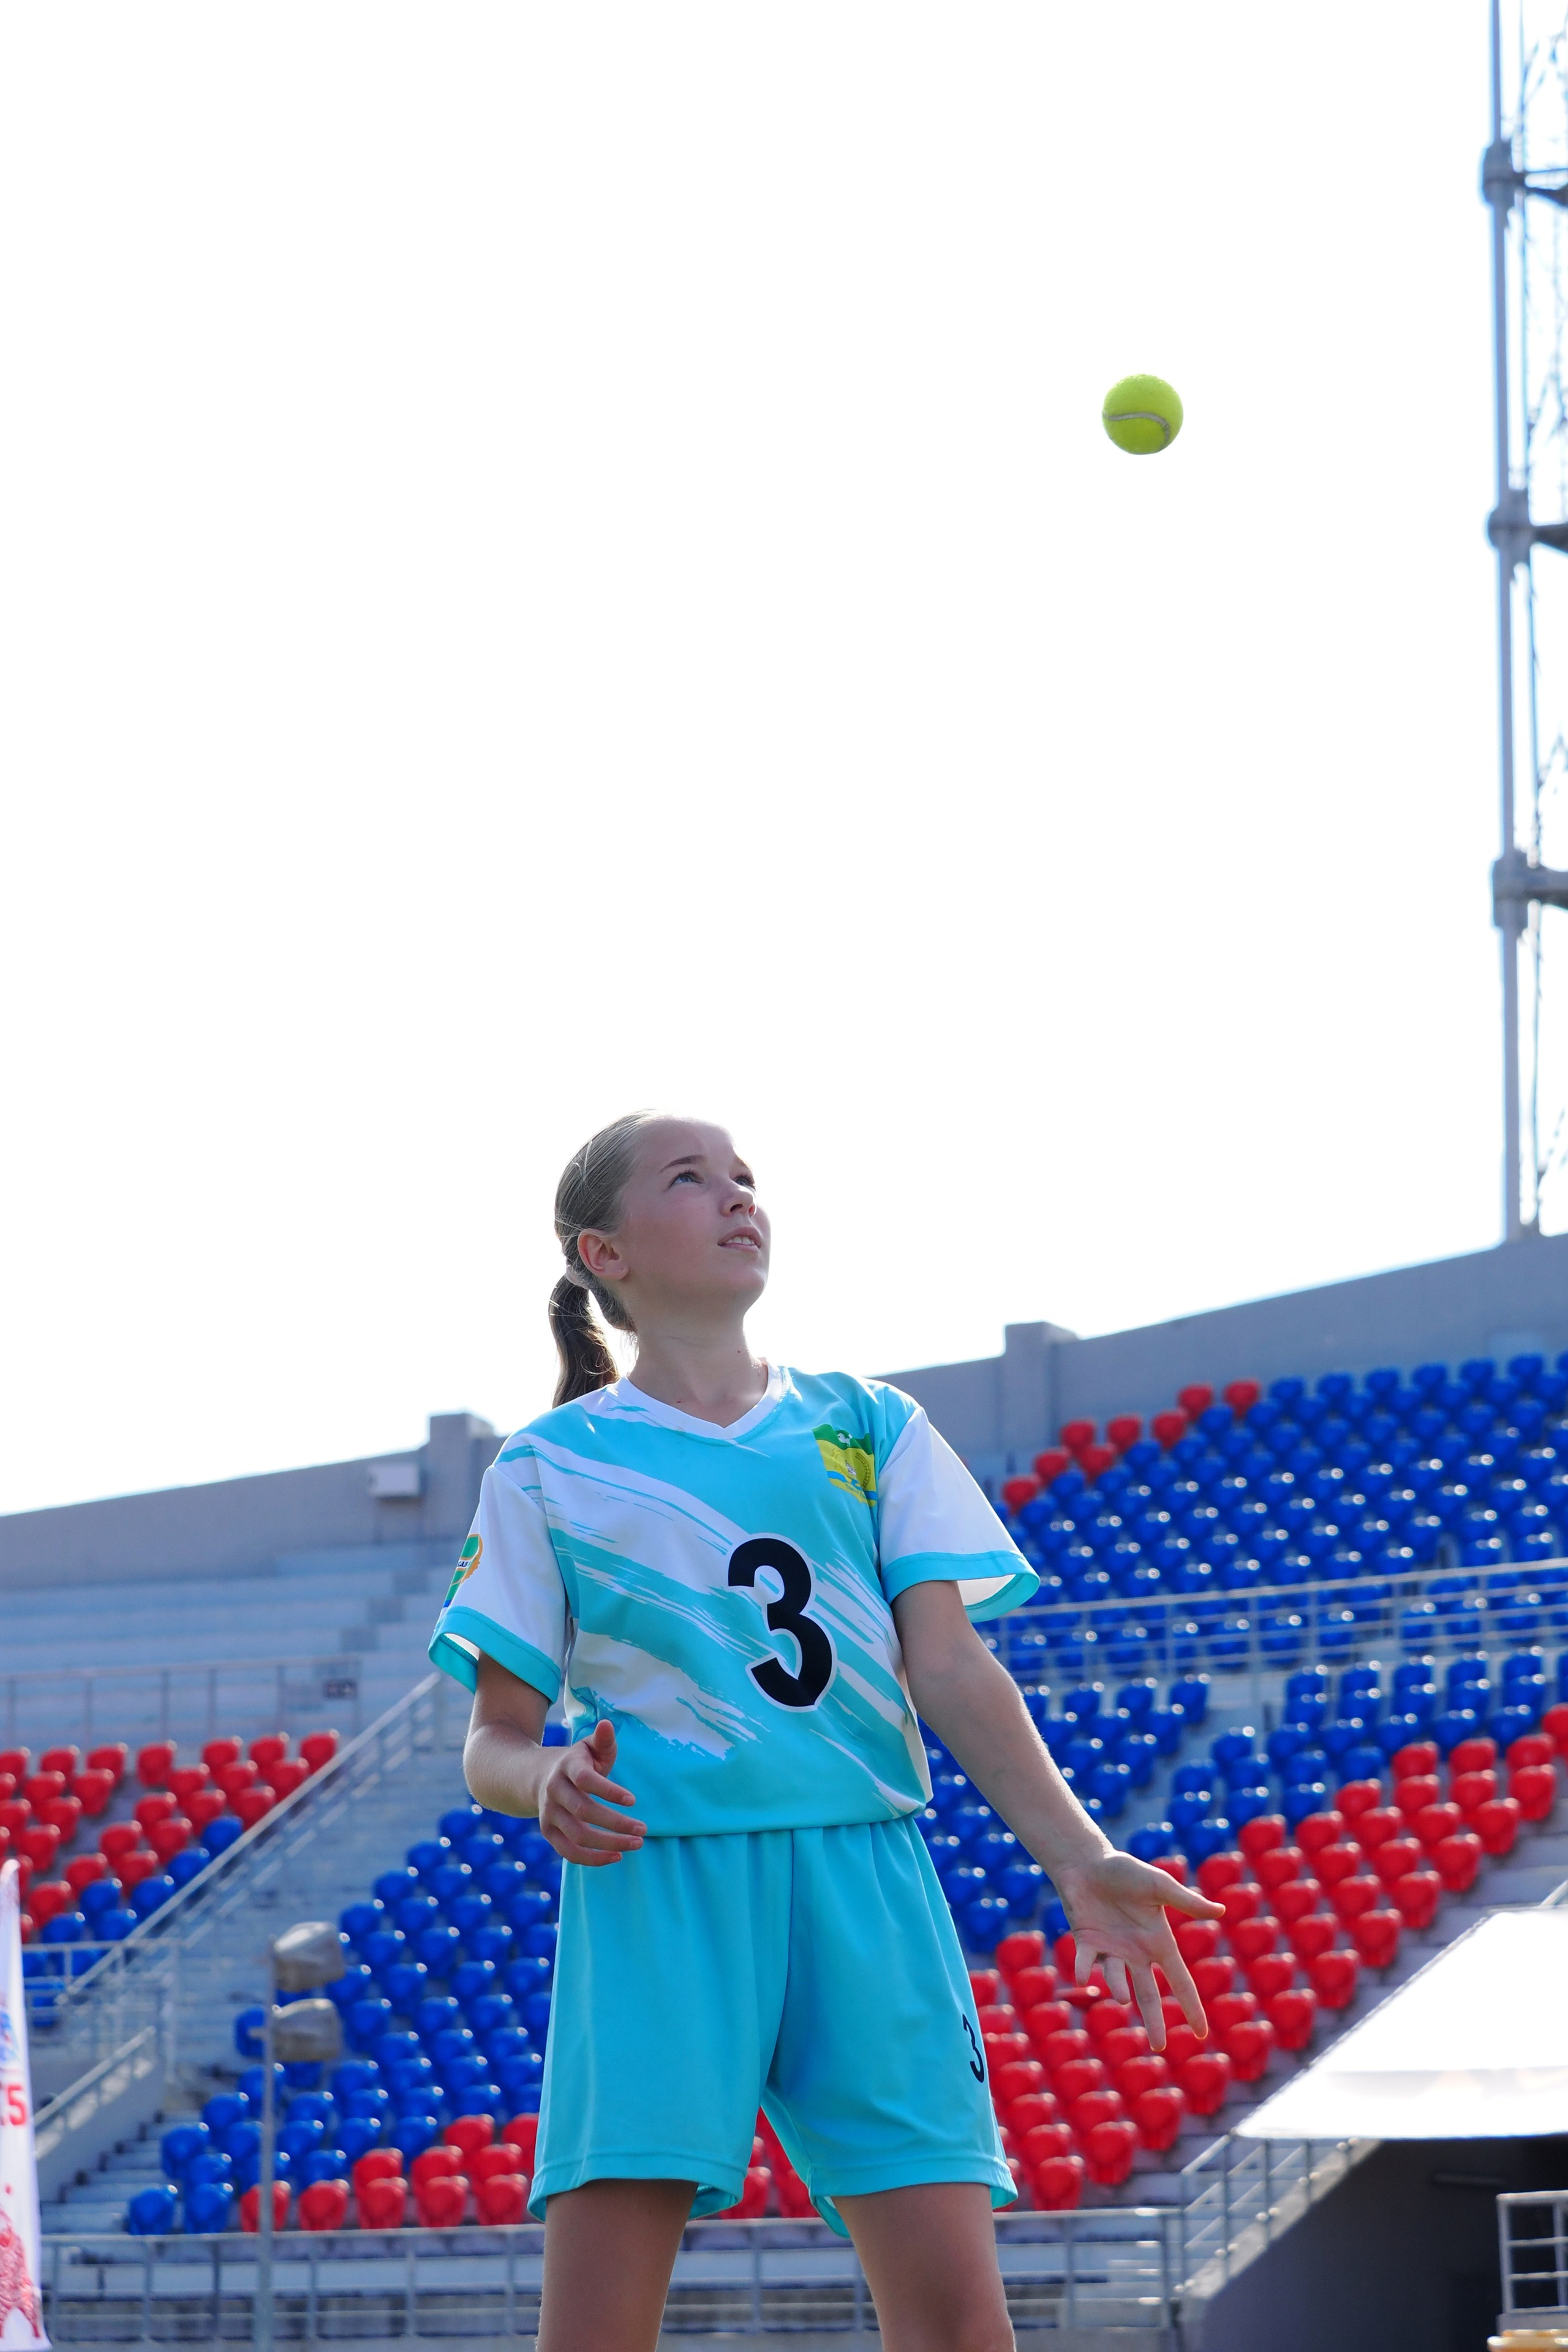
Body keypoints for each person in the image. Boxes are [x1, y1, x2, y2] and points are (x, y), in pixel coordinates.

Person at [429, 1110, 1222, 2352]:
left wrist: (1074, 1855)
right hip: (661, 1883)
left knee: (960, 2320)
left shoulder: (867, 1426)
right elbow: (492, 1738)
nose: (737, 1197)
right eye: (689, 1180)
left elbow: (952, 1670)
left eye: (745, 1176)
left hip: (867, 1874)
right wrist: (539, 1784)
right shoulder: (547, 1468)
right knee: (595, 2328)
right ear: (605, 1252)